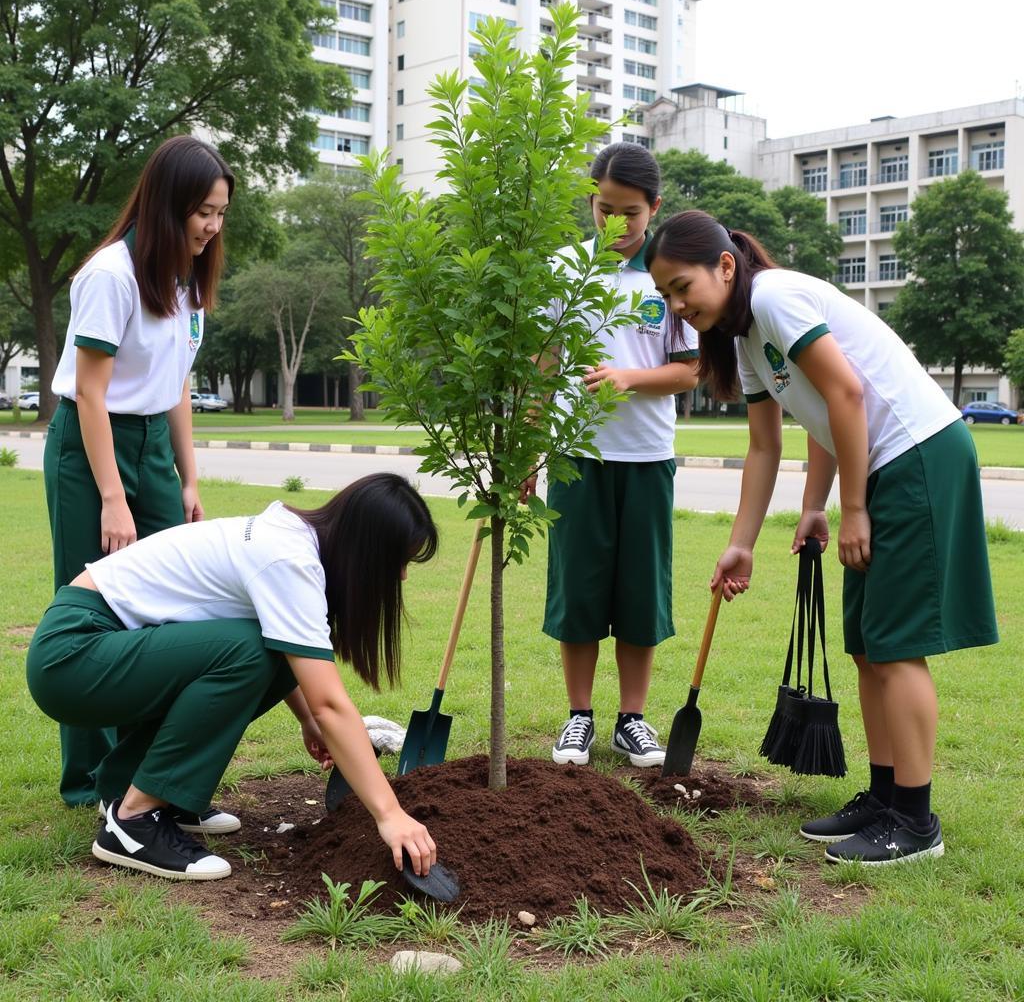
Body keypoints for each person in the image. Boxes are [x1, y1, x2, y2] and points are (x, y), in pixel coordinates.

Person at [647, 209, 998, 864]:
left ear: (725, 265)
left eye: (681, 285)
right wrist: (775, 526)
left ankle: (917, 824)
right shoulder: (745, 336)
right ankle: (887, 794)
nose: (676, 303)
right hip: (885, 462)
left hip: (917, 458)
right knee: (868, 645)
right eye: (665, 294)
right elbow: (768, 443)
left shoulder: (776, 299)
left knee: (896, 645)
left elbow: (847, 395)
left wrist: (854, 507)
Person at [26, 473, 439, 882]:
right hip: (74, 655)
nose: (401, 576)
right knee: (250, 650)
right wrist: (390, 815)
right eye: (399, 560)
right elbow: (329, 702)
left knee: (268, 647)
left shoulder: (292, 538)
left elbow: (293, 667)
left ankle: (132, 788)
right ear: (368, 549)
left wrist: (306, 720)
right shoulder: (288, 560)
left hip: (100, 649)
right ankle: (132, 822)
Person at [43, 135, 233, 828]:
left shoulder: (186, 280)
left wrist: (186, 476)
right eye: (203, 212)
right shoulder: (109, 275)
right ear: (169, 203)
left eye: (219, 214)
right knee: (95, 612)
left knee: (169, 608)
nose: (213, 227)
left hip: (152, 443)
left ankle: (152, 779)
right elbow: (91, 394)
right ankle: (88, 779)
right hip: (92, 447)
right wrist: (113, 499)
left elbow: (176, 383)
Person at [533, 143, 700, 768]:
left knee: (639, 592)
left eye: (631, 213)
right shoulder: (565, 270)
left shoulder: (669, 273)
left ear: (654, 208)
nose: (617, 224)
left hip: (648, 458)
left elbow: (690, 372)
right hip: (577, 457)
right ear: (591, 203)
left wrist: (630, 378)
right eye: (606, 209)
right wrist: (527, 452)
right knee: (576, 590)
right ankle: (579, 715)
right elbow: (543, 366)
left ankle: (633, 717)